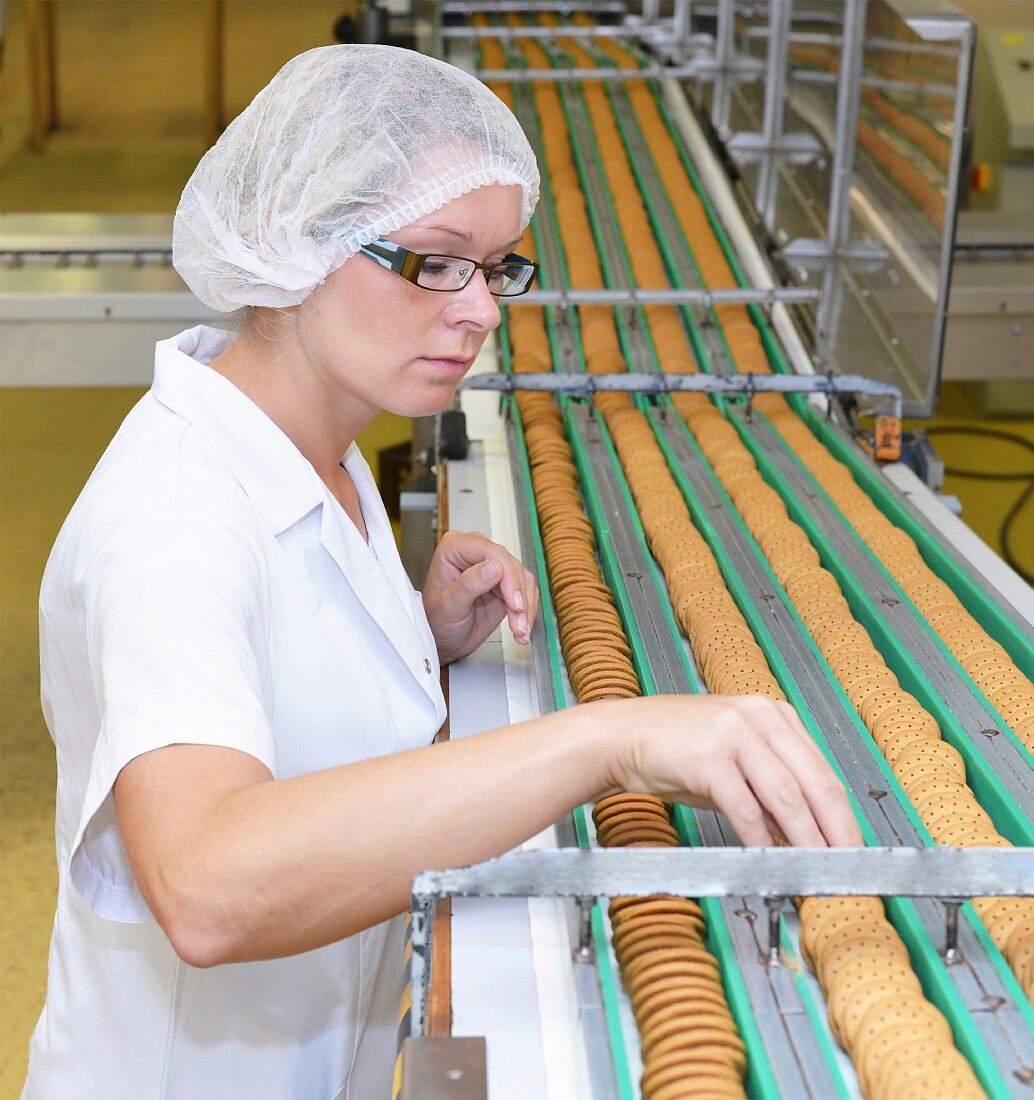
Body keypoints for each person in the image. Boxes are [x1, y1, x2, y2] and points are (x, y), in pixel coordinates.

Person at [24, 43, 860, 1100]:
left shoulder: (315, 438)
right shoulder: (175, 514)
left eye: (499, 265)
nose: (479, 311)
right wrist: (609, 738)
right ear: (295, 239)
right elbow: (207, 884)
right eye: (434, 261)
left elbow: (273, 676)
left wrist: (404, 632)